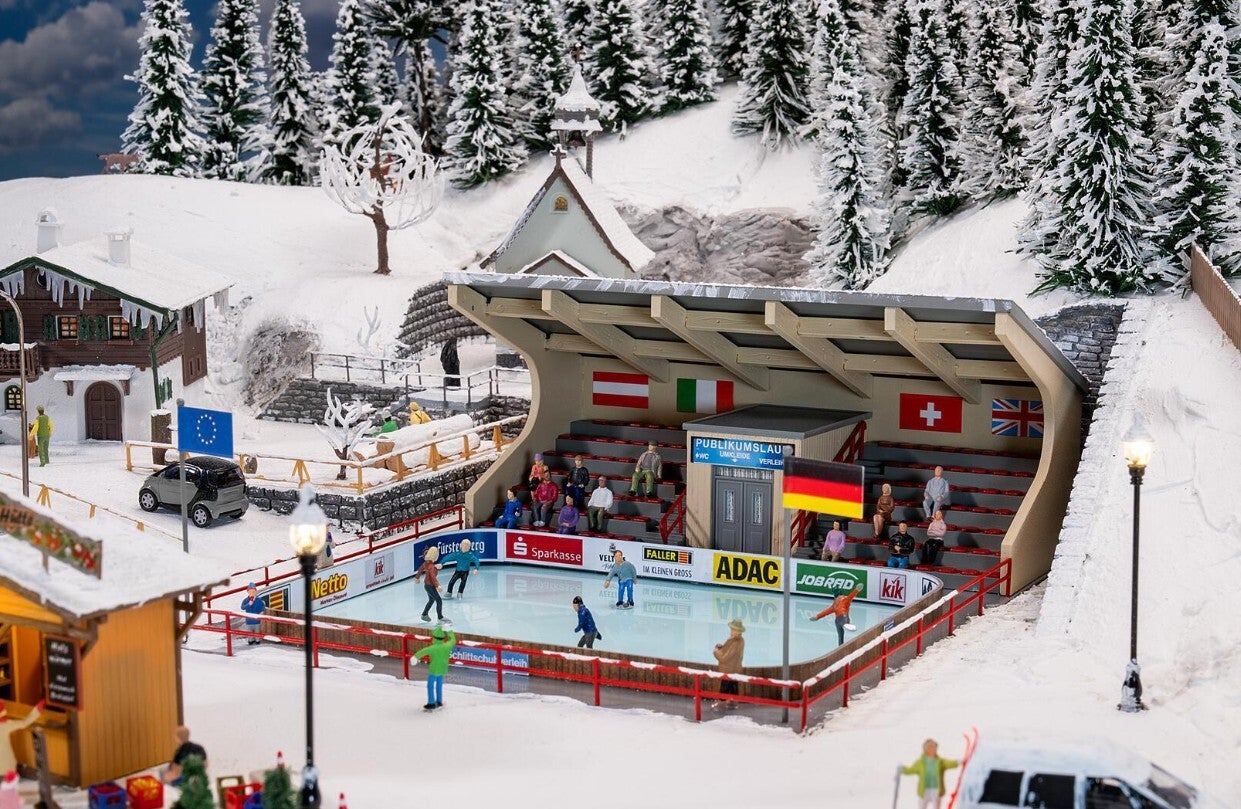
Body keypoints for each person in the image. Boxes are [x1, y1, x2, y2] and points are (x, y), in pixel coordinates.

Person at [899, 738, 959, 809]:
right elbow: (910, 770)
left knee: (936, 806)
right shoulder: (920, 762)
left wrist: (957, 762)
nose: (932, 749)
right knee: (922, 806)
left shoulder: (940, 761)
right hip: (924, 790)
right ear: (925, 749)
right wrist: (902, 769)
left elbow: (949, 763)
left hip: (936, 789)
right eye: (930, 747)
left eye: (934, 747)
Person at [413, 626, 457, 709]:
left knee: (430, 686)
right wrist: (449, 631)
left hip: (434, 670)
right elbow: (453, 640)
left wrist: (415, 657)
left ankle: (431, 702)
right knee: (439, 685)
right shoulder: (447, 646)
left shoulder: (432, 648)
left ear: (434, 638)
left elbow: (423, 651)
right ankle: (439, 701)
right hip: (442, 669)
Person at [0, 700, 43, 777]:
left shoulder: (6, 725)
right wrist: (37, 711)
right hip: (8, 767)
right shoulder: (6, 725)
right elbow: (24, 723)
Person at [711, 618, 745, 709]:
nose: (731, 631)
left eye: (733, 629)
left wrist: (716, 652)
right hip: (734, 668)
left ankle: (721, 702)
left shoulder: (736, 642)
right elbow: (729, 651)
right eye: (731, 629)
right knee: (733, 685)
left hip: (729, 669)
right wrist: (722, 647)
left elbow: (725, 658)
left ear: (738, 631)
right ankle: (733, 702)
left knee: (725, 685)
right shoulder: (738, 639)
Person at [414, 547, 445, 622]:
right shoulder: (431, 567)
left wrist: (417, 578)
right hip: (430, 586)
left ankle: (424, 614)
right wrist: (438, 585)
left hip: (427, 585)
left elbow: (420, 569)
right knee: (439, 601)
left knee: (431, 600)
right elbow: (432, 576)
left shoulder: (427, 563)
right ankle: (440, 618)